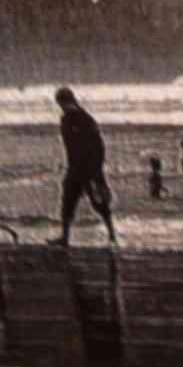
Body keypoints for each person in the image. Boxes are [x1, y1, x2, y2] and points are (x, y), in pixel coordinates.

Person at [49, 86, 117, 248]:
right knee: (70, 200)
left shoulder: (81, 119)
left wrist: (95, 169)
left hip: (87, 168)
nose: (61, 106)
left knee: (95, 202)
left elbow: (97, 146)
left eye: (61, 103)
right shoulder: (72, 118)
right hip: (79, 168)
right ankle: (66, 237)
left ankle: (111, 235)